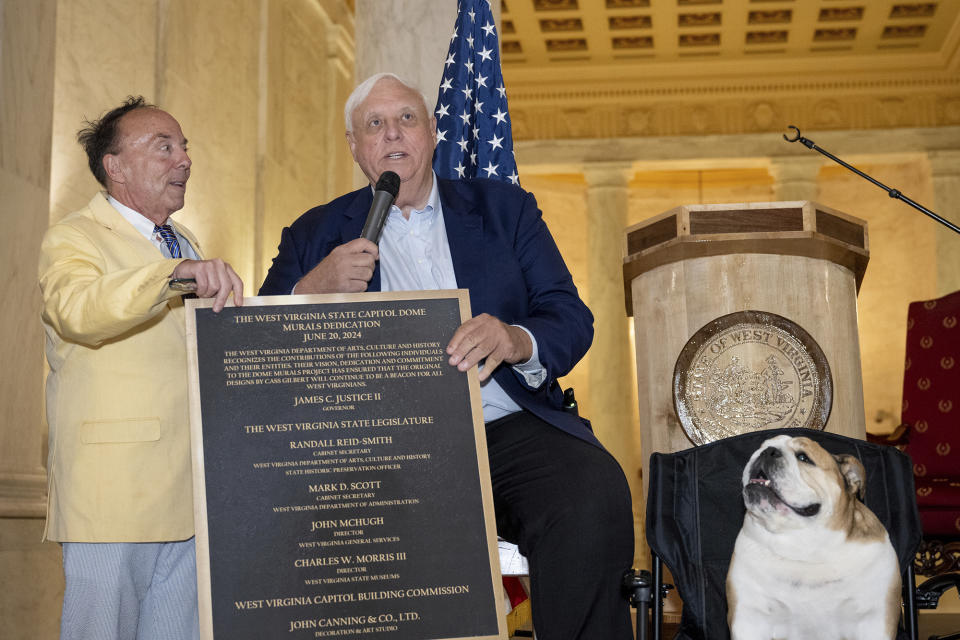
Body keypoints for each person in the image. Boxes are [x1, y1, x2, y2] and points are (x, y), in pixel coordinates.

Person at [260, 73, 634, 639]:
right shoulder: (313, 234)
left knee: (590, 489)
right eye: (375, 124)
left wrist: (513, 338)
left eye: (407, 118)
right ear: (355, 147)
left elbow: (569, 317)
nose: (393, 135)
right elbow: (255, 354)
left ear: (433, 131)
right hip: (375, 446)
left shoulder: (505, 210)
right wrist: (309, 290)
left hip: (504, 429)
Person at [39, 96, 244, 640]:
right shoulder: (74, 237)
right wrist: (173, 275)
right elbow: (77, 310)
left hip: (191, 496)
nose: (184, 160)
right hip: (114, 497)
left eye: (184, 148)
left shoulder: (186, 242)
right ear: (116, 166)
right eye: (164, 147)